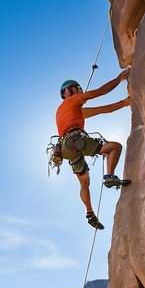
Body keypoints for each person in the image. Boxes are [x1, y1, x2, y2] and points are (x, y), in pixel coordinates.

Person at [56, 70, 131, 230]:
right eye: (79, 90)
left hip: (65, 148)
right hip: (75, 139)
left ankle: (89, 212)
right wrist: (119, 78)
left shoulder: (69, 110)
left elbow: (105, 109)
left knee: (84, 182)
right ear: (70, 91)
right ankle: (109, 176)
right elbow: (100, 92)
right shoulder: (73, 101)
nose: (81, 93)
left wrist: (124, 103)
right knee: (114, 148)